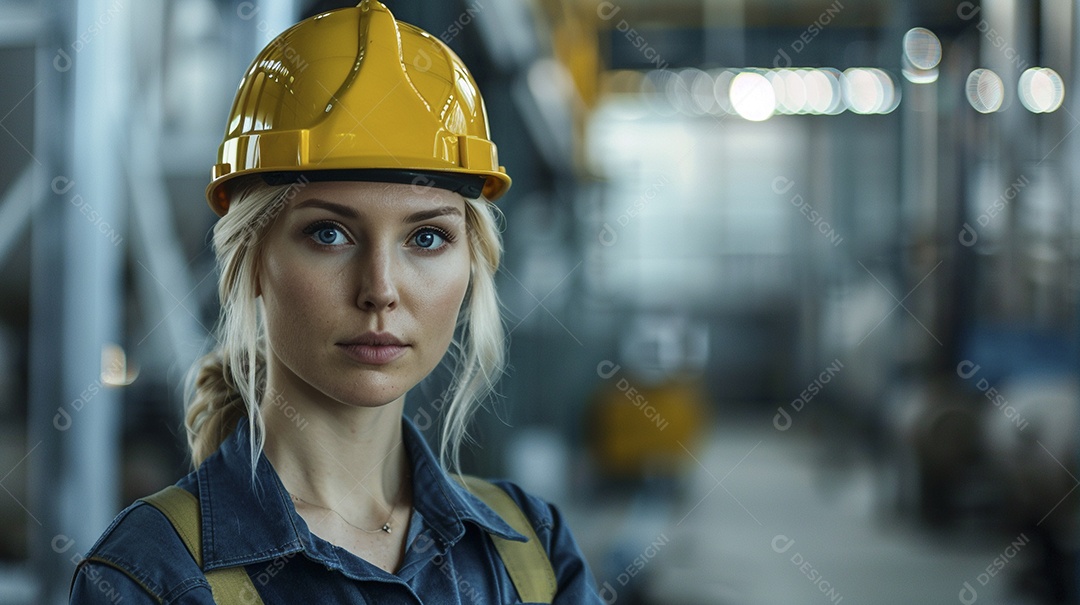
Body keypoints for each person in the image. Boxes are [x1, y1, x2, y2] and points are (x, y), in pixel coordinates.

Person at [68, 2, 603, 602]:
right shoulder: (152, 578)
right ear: (250, 261)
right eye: (329, 233)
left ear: (472, 265)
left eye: (427, 238)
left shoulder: (532, 555)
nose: (380, 289)